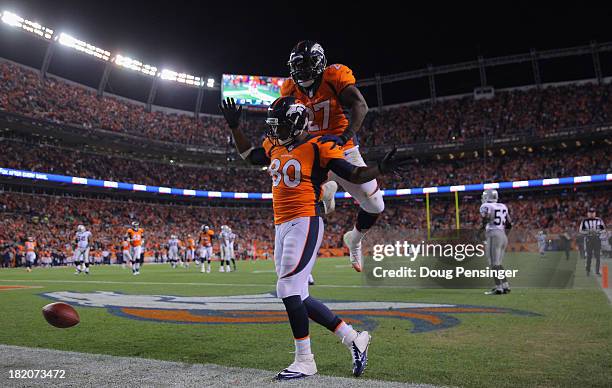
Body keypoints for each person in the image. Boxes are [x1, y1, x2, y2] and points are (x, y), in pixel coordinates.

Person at [219, 96, 409, 379]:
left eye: (280, 127)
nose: (274, 133)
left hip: (305, 220)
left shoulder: (319, 146)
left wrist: (378, 169)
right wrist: (235, 127)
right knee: (299, 294)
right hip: (281, 225)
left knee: (287, 289)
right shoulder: (275, 145)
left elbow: (354, 173)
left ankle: (305, 360)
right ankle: (353, 337)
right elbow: (250, 156)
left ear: (296, 124)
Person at [282, 40, 382, 273]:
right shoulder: (289, 88)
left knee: (376, 205)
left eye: (307, 64)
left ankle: (354, 239)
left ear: (319, 62)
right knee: (301, 200)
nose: (303, 70)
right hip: (312, 152)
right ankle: (300, 270)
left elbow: (360, 106)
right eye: (298, 65)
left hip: (341, 147)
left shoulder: (334, 76)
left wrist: (344, 135)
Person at [480, 189, 512, 295]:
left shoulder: (486, 206)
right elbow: (509, 224)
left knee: (493, 263)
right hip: (503, 235)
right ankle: (505, 285)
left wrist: (479, 232)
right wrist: (503, 235)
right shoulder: (503, 206)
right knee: (498, 263)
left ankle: (499, 288)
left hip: (493, 234)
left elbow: (485, 219)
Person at [579, 208, 606, 276]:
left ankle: (597, 271)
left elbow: (603, 230)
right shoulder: (584, 221)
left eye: (593, 212)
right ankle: (588, 270)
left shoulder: (599, 220)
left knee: (598, 256)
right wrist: (589, 231)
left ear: (595, 213)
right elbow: (580, 231)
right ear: (588, 213)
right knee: (589, 256)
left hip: (597, 239)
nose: (591, 213)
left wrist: (596, 231)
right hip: (589, 238)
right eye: (590, 212)